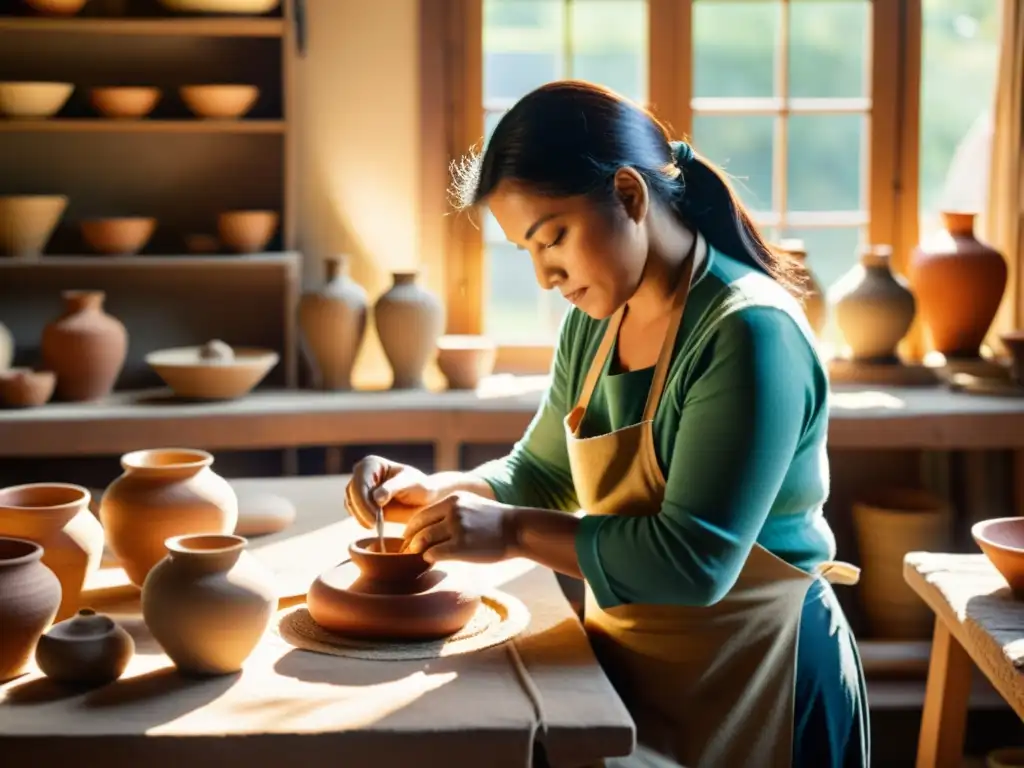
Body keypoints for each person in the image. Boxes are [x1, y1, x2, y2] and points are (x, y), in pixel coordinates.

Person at [345, 80, 870, 768]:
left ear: (629, 196)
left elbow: (696, 562)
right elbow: (540, 472)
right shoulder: (594, 327)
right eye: (526, 252)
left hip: (764, 677)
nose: (544, 276)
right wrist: (444, 494)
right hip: (637, 676)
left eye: (552, 238)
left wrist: (507, 532)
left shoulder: (747, 332)